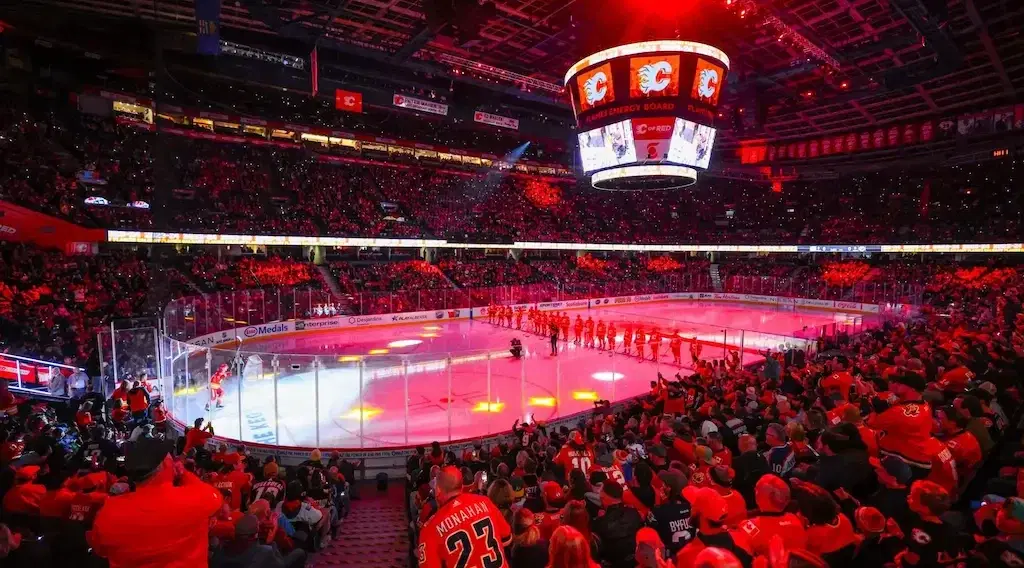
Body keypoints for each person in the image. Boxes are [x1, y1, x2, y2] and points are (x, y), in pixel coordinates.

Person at [89, 437, 224, 568]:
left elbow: (100, 549)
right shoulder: (193, 498)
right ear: (165, 465)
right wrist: (183, 473)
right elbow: (215, 496)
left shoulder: (109, 513)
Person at [418, 466, 511, 568]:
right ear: (461, 486)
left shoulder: (430, 528)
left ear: (438, 490)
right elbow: (506, 539)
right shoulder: (485, 502)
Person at [210, 514, 307, 568]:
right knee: (300, 552)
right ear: (256, 533)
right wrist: (272, 543)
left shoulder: (221, 549)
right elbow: (281, 565)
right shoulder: (264, 551)